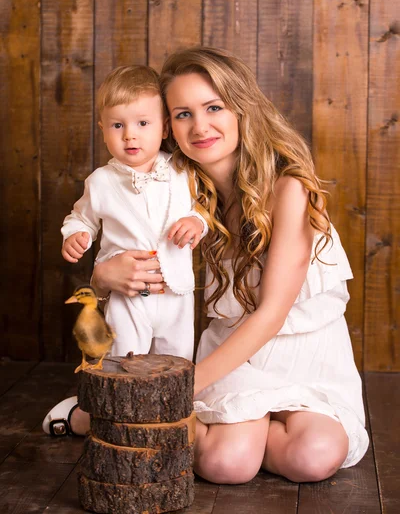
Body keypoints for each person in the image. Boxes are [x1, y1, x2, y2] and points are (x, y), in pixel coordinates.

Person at [47, 47, 369, 486]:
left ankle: (116, 412)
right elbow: (136, 266)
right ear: (165, 128)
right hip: (236, 355)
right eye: (182, 114)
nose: (200, 126)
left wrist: (176, 389)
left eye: (213, 107)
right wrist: (102, 276)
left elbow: (271, 314)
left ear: (240, 109)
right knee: (226, 465)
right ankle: (104, 412)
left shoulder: (287, 188)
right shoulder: (177, 191)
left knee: (312, 457)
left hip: (305, 354)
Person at [42, 65, 207, 437]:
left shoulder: (183, 170)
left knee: (178, 361)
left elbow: (202, 210)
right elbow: (80, 217)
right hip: (127, 295)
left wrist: (197, 223)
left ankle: (168, 423)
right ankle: (113, 420)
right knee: (122, 363)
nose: (130, 135)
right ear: (102, 130)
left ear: (164, 127)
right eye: (117, 126)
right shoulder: (100, 182)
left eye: (143, 124)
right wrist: (76, 235)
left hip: (176, 293)